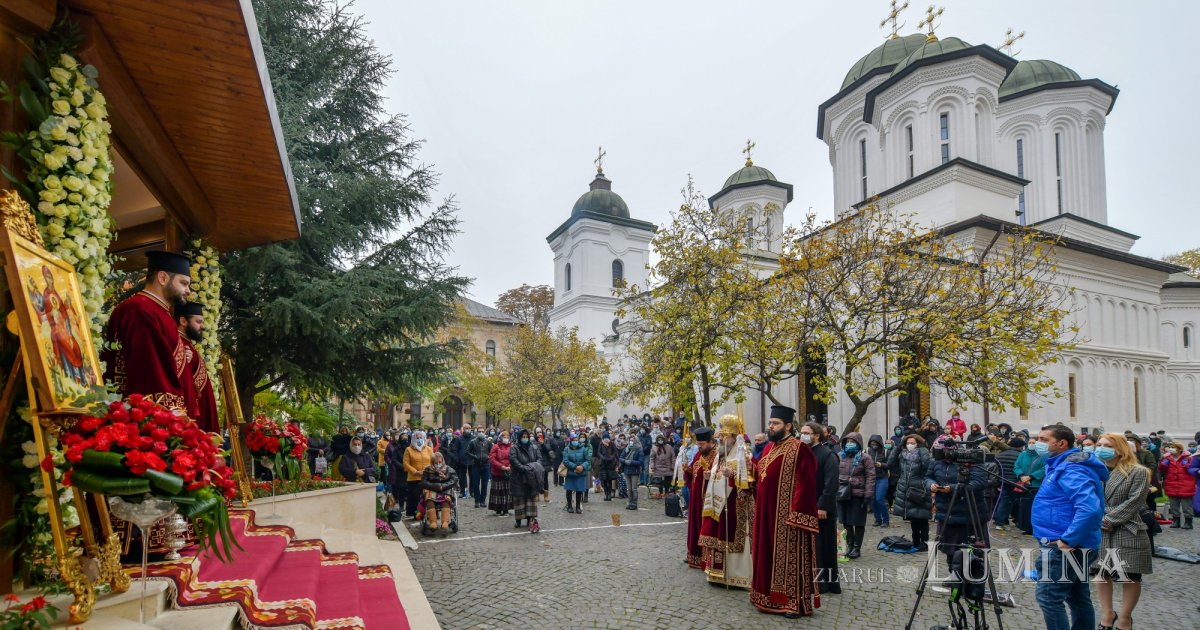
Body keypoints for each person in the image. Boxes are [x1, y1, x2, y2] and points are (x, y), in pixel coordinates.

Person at [1031, 423, 1109, 630]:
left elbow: (1089, 508)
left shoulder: (1071, 469)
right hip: (1071, 543)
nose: (1038, 444)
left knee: (1049, 598)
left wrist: (1068, 539)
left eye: (1043, 440)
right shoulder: (1060, 465)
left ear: (1062, 443)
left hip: (1065, 545)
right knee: (1077, 597)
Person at [751, 405, 820, 619]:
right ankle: (766, 597)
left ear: (788, 426)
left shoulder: (800, 449)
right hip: (766, 513)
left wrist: (796, 514)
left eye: (776, 424)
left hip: (787, 517)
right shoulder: (769, 448)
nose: (771, 427)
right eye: (770, 423)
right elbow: (762, 475)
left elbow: (807, 483)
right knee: (766, 555)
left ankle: (793, 603)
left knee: (791, 560)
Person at [1093, 433, 1151, 630]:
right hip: (1098, 528)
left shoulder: (1138, 471)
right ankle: (1107, 612)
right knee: (1101, 572)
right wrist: (1094, 517)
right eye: (1099, 444)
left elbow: (1135, 502)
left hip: (1127, 528)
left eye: (1106, 445)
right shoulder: (1093, 471)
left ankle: (1125, 617)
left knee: (1130, 575)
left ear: (1119, 449)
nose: (1101, 447)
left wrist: (1107, 518)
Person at [698, 415, 755, 588]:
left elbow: (750, 483)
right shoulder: (719, 456)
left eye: (724, 436)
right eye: (720, 435)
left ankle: (736, 576)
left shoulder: (743, 455)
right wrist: (708, 478)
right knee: (717, 535)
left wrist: (733, 477)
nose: (720, 439)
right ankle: (716, 574)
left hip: (735, 507)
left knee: (731, 537)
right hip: (717, 507)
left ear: (733, 437)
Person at [925, 436, 988, 571]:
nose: (944, 454)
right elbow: (928, 477)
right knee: (949, 548)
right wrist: (931, 485)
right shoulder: (936, 462)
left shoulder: (969, 459)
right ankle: (954, 576)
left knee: (972, 549)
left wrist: (952, 488)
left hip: (970, 512)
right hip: (946, 513)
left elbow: (979, 482)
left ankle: (973, 579)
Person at [804, 421, 840, 595]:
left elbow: (831, 483)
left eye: (806, 432)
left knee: (823, 547)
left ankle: (825, 583)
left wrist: (823, 506)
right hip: (805, 506)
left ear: (816, 435)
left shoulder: (827, 455)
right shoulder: (803, 452)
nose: (802, 435)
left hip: (822, 509)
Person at [172, 302, 219, 432]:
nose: (202, 326)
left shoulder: (187, 344)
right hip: (189, 412)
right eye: (198, 321)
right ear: (183, 321)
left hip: (198, 412)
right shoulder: (177, 344)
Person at [889, 433, 932, 552]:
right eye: (908, 443)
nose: (910, 445)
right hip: (906, 488)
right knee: (912, 517)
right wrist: (897, 447)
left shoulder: (922, 452)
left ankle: (925, 541)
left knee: (922, 517)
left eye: (913, 443)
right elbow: (890, 463)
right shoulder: (902, 454)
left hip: (920, 488)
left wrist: (923, 450)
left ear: (917, 443)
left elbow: (927, 466)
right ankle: (916, 541)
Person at [837, 431, 875, 559]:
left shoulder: (865, 458)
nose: (849, 444)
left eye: (852, 442)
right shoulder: (839, 456)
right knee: (846, 522)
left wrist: (868, 495)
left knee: (858, 523)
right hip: (842, 494)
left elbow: (870, 477)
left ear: (858, 443)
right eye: (847, 442)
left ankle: (857, 548)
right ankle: (849, 545)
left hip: (858, 495)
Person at [683, 427, 715, 569]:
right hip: (696, 498)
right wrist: (687, 471)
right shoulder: (699, 455)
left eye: (702, 444)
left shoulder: (717, 456)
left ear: (710, 442)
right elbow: (693, 471)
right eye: (698, 445)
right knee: (695, 526)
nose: (700, 447)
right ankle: (694, 555)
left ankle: (705, 557)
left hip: (708, 499)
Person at [509, 428, 544, 532]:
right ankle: (518, 520)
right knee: (519, 499)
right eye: (523, 437)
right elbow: (513, 460)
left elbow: (539, 459)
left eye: (526, 437)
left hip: (532, 477)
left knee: (530, 499)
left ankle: (530, 519)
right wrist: (523, 468)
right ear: (519, 438)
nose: (525, 438)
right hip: (518, 477)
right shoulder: (514, 448)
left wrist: (532, 467)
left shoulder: (534, 447)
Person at [1013, 437, 1046, 535]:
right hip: (1023, 484)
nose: (1031, 444)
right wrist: (1021, 476)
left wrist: (1031, 476)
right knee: (1024, 507)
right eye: (1030, 442)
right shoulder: (1022, 454)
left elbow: (1044, 469)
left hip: (1036, 485)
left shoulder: (1043, 456)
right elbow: (1016, 466)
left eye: (1033, 442)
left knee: (1035, 508)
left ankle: (1035, 528)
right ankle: (1026, 527)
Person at [420, 452, 458, 535]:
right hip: (432, 490)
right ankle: (433, 522)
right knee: (429, 499)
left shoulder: (449, 470)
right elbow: (423, 482)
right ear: (432, 462)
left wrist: (443, 486)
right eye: (436, 463)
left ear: (442, 460)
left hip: (445, 490)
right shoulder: (427, 470)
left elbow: (454, 480)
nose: (438, 464)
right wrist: (436, 486)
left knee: (446, 499)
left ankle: (445, 522)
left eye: (439, 462)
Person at [1158, 441, 1195, 528]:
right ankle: (1176, 521)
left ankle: (1188, 522)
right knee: (1174, 505)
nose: (1171, 449)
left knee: (1186, 506)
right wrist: (1163, 460)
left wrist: (1187, 465)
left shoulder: (1188, 457)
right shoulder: (1168, 458)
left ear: (1179, 449)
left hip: (1186, 485)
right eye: (1170, 447)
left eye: (1173, 447)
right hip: (1171, 484)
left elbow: (1192, 469)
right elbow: (1161, 469)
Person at [991, 436, 1024, 531]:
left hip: (1002, 481)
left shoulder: (1001, 454)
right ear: (1020, 447)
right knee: (1010, 502)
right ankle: (1001, 522)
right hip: (1015, 482)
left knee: (1004, 501)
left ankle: (1002, 521)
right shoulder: (1020, 455)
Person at [402, 431, 434, 520]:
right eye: (417, 438)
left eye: (421, 438)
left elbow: (433, 461)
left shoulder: (428, 449)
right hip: (414, 478)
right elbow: (405, 463)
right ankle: (417, 514)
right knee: (415, 498)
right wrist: (415, 471)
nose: (419, 439)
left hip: (427, 477)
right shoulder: (409, 449)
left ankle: (429, 512)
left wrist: (429, 470)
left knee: (428, 497)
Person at [562, 433, 590, 514]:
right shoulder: (566, 449)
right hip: (570, 473)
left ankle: (578, 506)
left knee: (579, 490)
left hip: (581, 473)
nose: (576, 441)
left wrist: (582, 466)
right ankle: (570, 506)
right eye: (574, 440)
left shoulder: (583, 449)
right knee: (569, 489)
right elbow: (565, 461)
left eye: (577, 440)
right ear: (571, 441)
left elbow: (588, 460)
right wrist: (575, 467)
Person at [488, 430, 513, 515]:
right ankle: (498, 509)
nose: (506, 439)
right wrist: (501, 466)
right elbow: (492, 459)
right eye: (504, 437)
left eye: (507, 437)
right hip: (497, 472)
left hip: (508, 472)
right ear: (500, 438)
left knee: (507, 491)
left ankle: (506, 508)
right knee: (498, 492)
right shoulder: (495, 446)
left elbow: (513, 457)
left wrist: (509, 466)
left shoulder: (511, 446)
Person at [867, 434, 890, 528]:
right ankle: (877, 519)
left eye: (876, 443)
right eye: (872, 443)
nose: (874, 444)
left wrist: (881, 465)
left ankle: (886, 520)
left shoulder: (886, 451)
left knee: (879, 499)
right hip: (871, 478)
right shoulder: (867, 451)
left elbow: (890, 464)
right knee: (872, 500)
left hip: (882, 477)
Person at [467, 428, 491, 508]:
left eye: (482, 431)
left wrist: (488, 457)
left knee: (484, 484)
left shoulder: (488, 442)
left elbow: (492, 451)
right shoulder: (473, 442)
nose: (481, 433)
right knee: (475, 484)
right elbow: (468, 452)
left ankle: (483, 500)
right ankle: (477, 500)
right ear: (477, 432)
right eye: (479, 431)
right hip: (476, 465)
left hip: (486, 465)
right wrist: (474, 456)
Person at [621, 431, 645, 510]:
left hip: (634, 471)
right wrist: (624, 461)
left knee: (634, 488)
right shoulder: (626, 449)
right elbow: (621, 457)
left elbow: (641, 462)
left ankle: (634, 503)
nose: (631, 441)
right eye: (630, 440)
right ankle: (630, 502)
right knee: (629, 488)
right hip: (627, 470)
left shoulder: (639, 449)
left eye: (632, 440)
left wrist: (631, 462)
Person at [596, 436, 620, 501]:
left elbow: (615, 452)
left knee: (609, 480)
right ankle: (606, 494)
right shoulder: (601, 444)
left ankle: (609, 494)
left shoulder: (612, 444)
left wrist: (611, 458)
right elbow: (598, 452)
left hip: (611, 465)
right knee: (604, 480)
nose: (606, 441)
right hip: (603, 465)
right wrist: (603, 457)